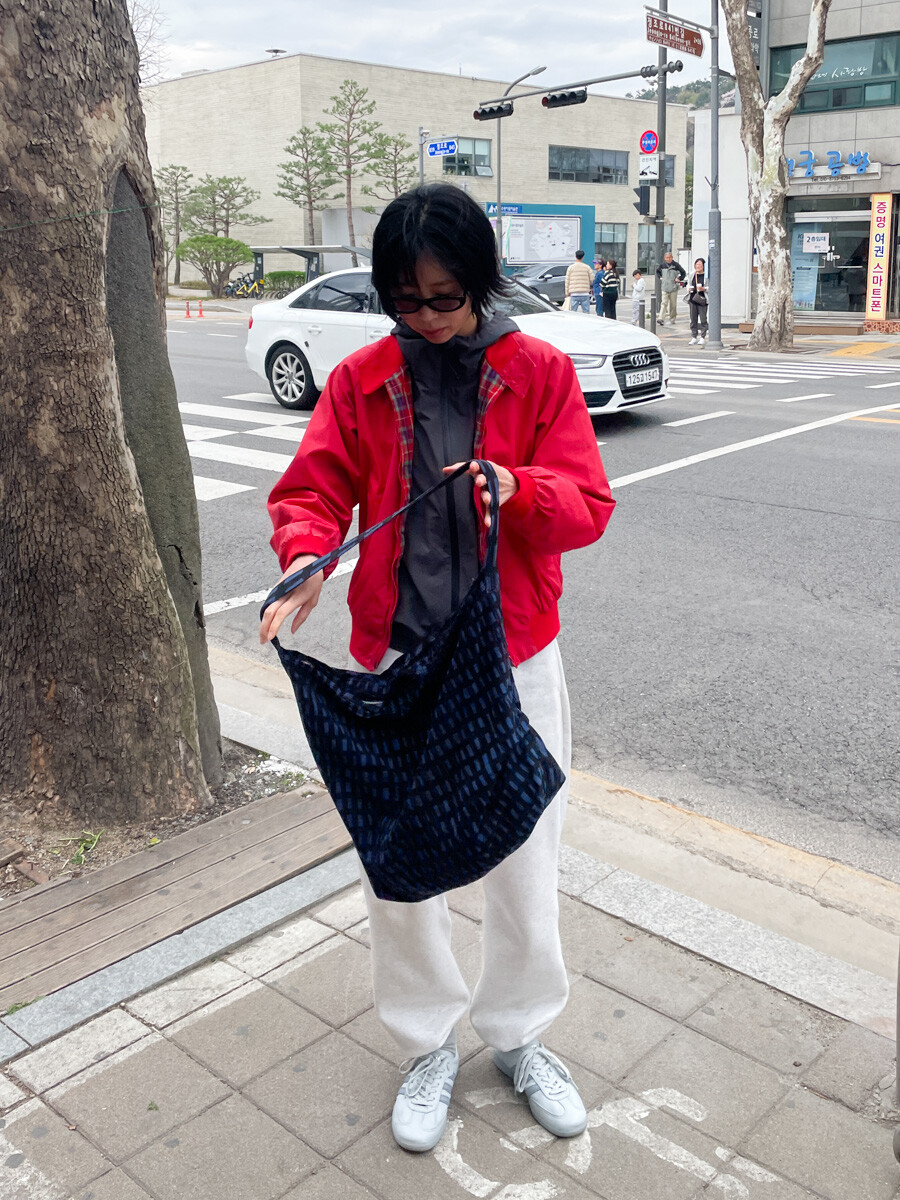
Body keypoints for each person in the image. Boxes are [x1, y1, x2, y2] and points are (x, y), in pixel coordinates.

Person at [260, 184, 615, 1155]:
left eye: (444, 297)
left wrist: (519, 488)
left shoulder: (538, 373)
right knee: (400, 866)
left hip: (514, 659)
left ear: (480, 283)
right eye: (403, 299)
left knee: (525, 859)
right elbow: (312, 489)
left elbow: (587, 505)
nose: (423, 317)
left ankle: (521, 1035)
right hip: (405, 660)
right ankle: (426, 1044)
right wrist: (306, 559)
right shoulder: (363, 379)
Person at [655, 251, 686, 325]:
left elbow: (683, 273)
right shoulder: (662, 266)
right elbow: (657, 272)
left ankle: (672, 318)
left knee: (673, 305)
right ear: (664, 258)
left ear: (672, 257)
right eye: (667, 258)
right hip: (665, 287)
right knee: (664, 303)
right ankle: (661, 318)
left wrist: (679, 278)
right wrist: (660, 277)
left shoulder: (676, 265)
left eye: (669, 257)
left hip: (673, 287)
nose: (668, 259)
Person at [564, 248, 594, 313]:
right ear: (583, 257)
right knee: (586, 312)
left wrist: (567, 293)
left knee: (573, 312)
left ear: (575, 256)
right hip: (585, 293)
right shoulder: (587, 267)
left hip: (574, 293)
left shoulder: (570, 267)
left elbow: (567, 281)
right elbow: (592, 279)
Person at [688, 257, 709, 345]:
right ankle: (694, 336)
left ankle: (702, 337)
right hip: (693, 299)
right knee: (693, 319)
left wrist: (704, 289)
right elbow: (688, 284)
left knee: (703, 319)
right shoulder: (692, 274)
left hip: (702, 300)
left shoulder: (706, 276)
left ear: (704, 266)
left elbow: (711, 287)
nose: (698, 266)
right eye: (696, 264)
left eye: (700, 264)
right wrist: (689, 289)